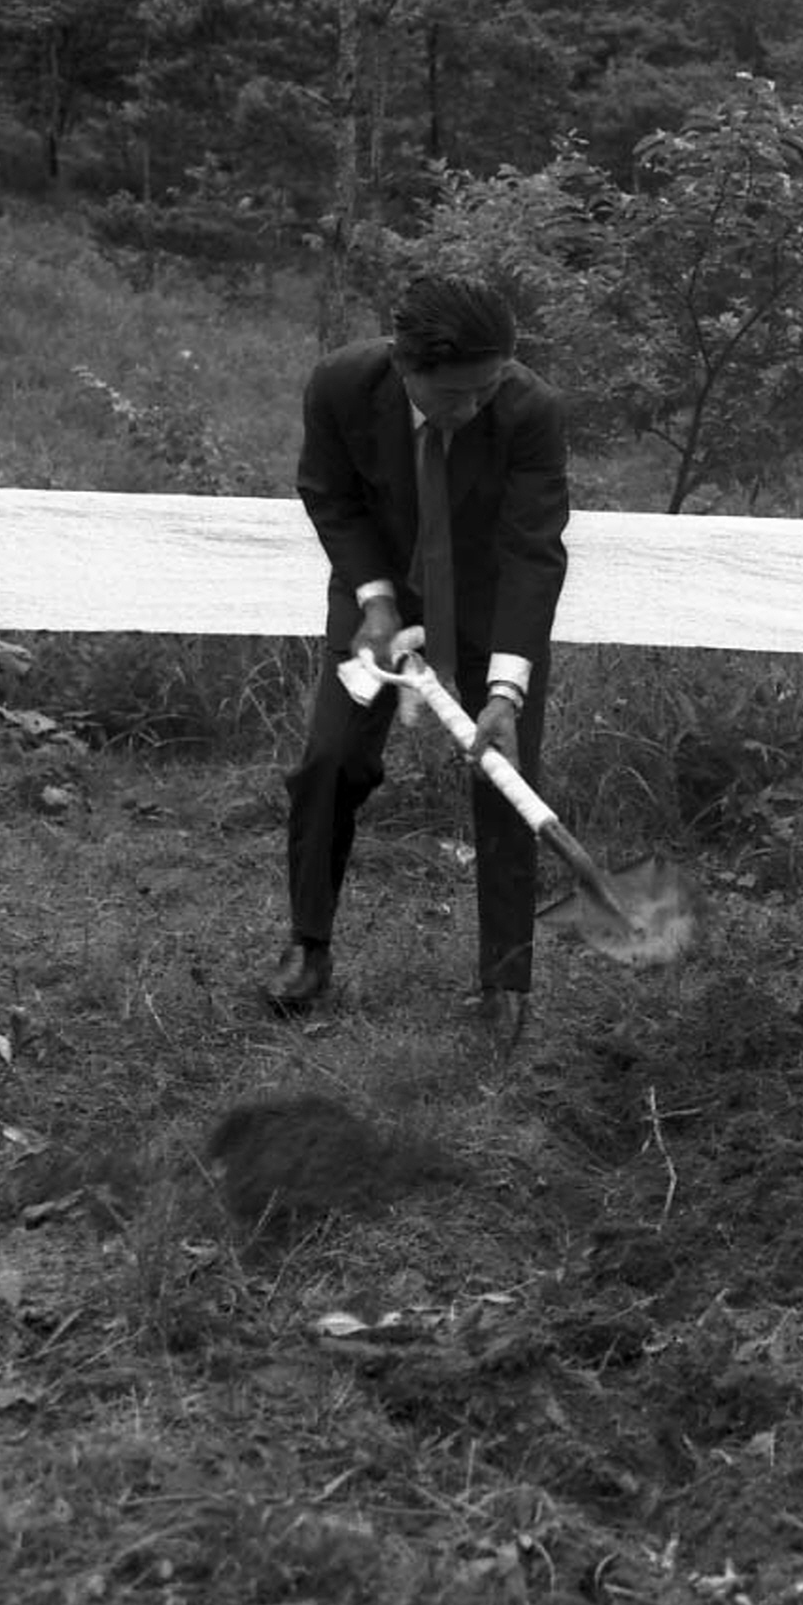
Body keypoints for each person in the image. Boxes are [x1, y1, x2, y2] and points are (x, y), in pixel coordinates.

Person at [263, 274, 571, 1041]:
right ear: (408, 368)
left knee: (505, 773)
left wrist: (504, 691)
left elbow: (533, 550)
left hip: (489, 601)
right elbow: (329, 495)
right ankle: (309, 944)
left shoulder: (530, 408)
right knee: (331, 757)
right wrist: (374, 599)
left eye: (487, 388)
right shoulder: (341, 385)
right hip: (382, 591)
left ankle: (505, 979)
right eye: (457, 395)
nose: (473, 408)